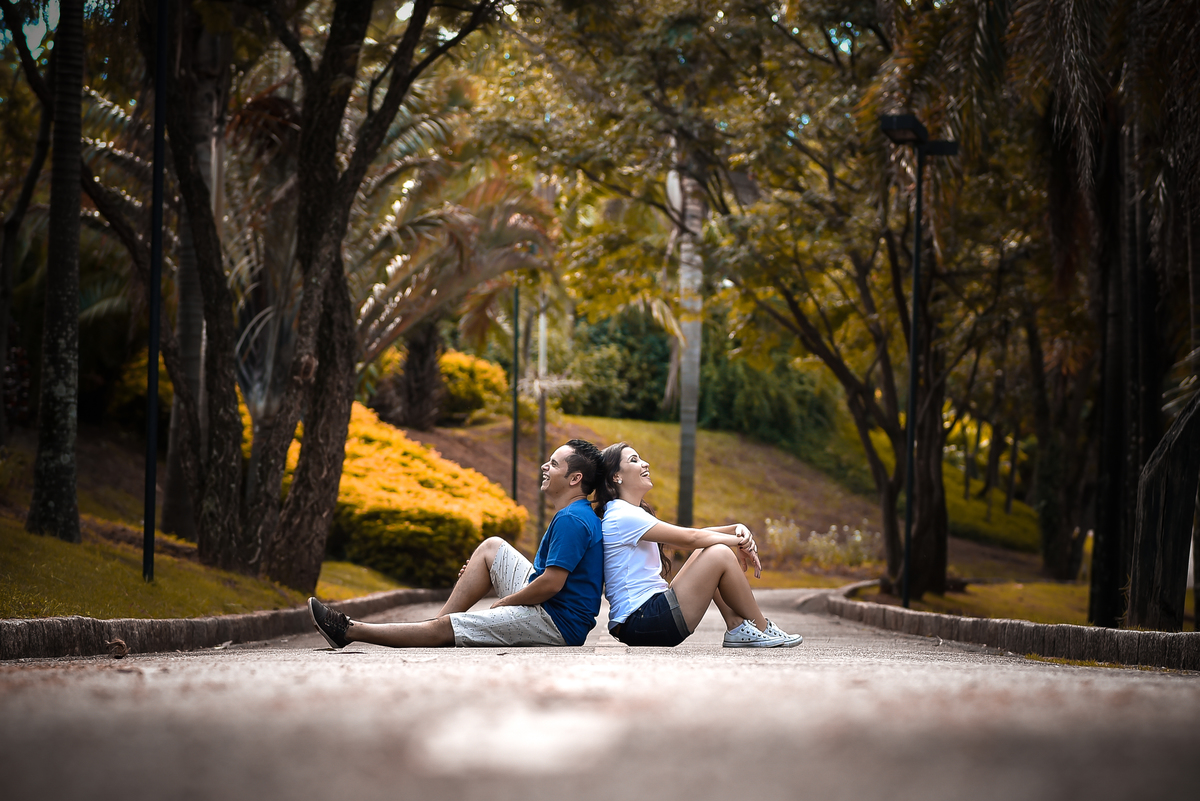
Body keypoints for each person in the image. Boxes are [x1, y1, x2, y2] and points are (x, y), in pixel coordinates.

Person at [308, 439, 605, 649]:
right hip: (550, 607)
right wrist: (482, 572)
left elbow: (551, 583)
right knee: (491, 548)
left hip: (556, 622)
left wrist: (506, 602)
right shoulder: (575, 514)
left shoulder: (572, 520)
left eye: (553, 464)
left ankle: (348, 630)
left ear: (574, 478)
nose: (544, 466)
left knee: (447, 628)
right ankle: (433, 628)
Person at [595, 442, 803, 648]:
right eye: (634, 460)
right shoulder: (623, 515)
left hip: (643, 619)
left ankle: (737, 626)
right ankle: (763, 627)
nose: (645, 463)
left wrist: (735, 529)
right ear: (616, 476)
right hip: (642, 619)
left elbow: (697, 538)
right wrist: (739, 541)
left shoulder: (626, 512)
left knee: (708, 551)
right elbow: (690, 538)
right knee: (719, 553)